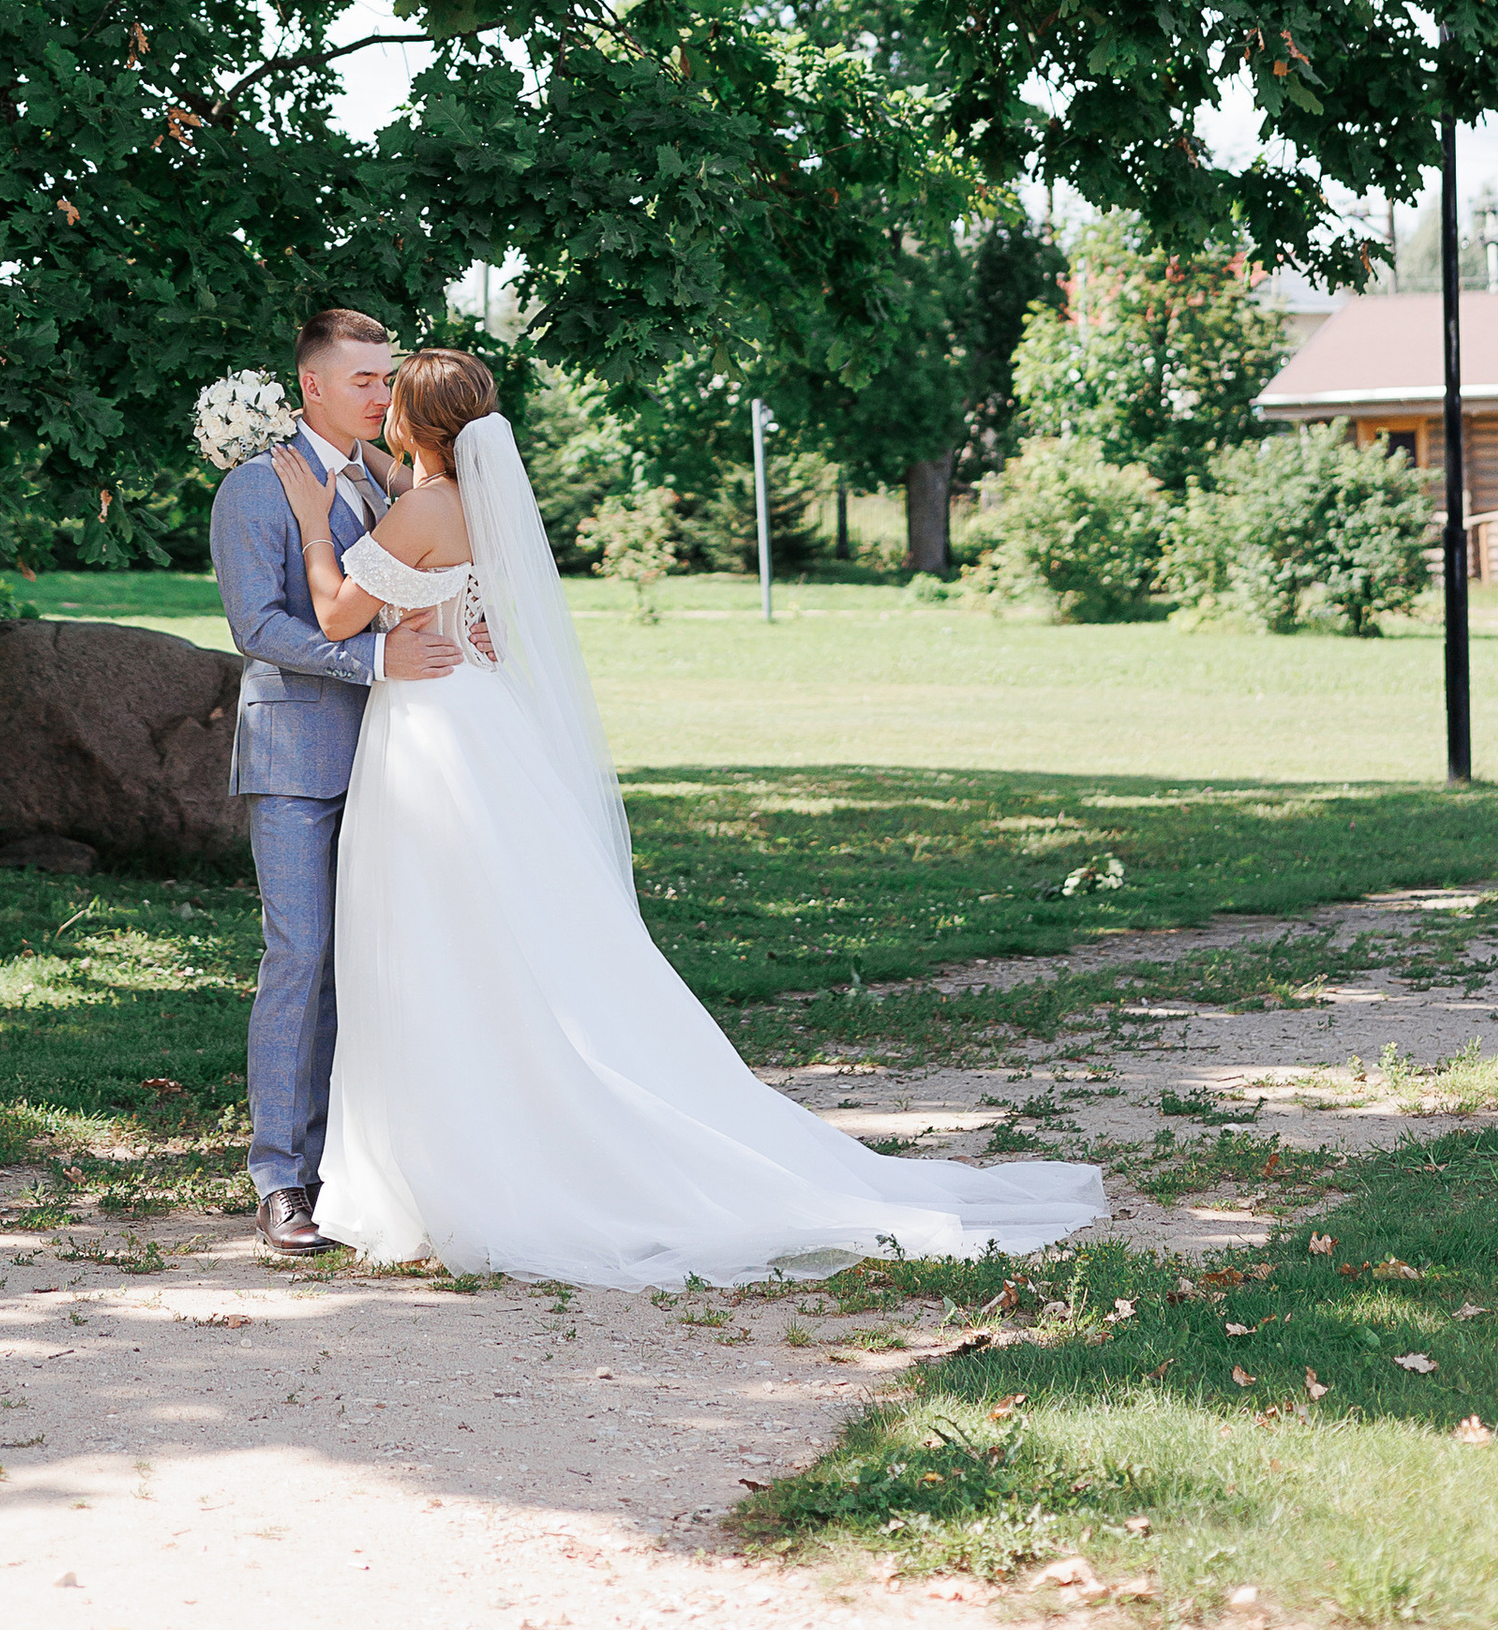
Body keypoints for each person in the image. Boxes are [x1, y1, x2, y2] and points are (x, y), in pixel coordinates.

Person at [270, 344, 1107, 1288]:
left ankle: (449, 1166)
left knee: (432, 939)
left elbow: (338, 614)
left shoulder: (424, 506)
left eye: (392, 401)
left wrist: (311, 520)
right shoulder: (475, 501)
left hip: (429, 735)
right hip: (474, 721)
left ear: (412, 423)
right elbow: (473, 612)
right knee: (487, 938)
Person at [207, 304, 466, 1258]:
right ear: (311, 384)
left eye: (387, 378)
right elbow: (260, 631)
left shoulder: (390, 481)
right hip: (299, 764)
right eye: (363, 379)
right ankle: (280, 1177)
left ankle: (369, 1170)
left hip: (403, 765)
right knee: (302, 959)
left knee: (384, 969)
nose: (382, 393)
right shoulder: (255, 489)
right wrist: (377, 667)